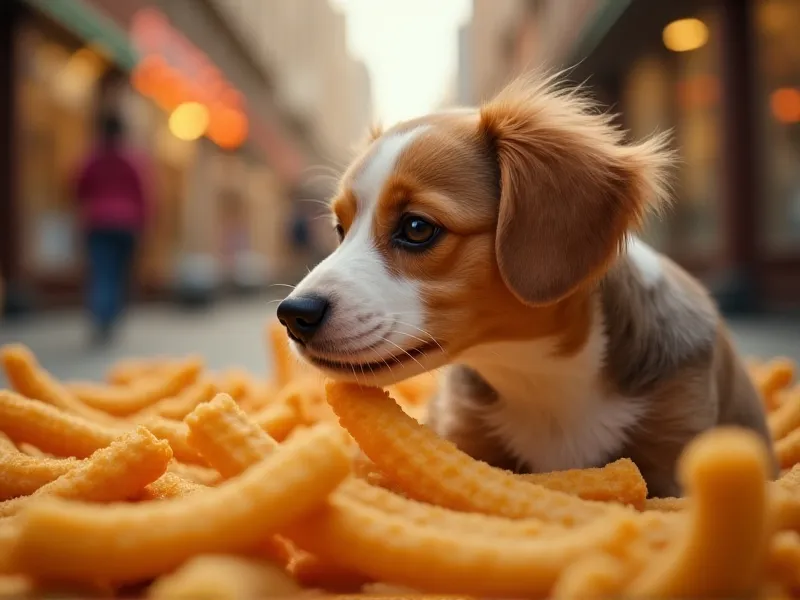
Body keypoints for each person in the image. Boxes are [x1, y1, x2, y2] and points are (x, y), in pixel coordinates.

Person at [74, 111, 149, 344]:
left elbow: (78, 186)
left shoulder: (93, 158)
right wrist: (145, 223)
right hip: (127, 223)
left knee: (102, 271)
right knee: (119, 272)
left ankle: (101, 317)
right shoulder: (132, 159)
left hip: (98, 221)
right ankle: (111, 316)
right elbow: (144, 193)